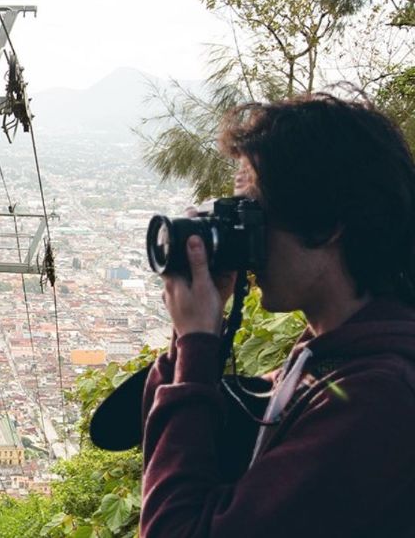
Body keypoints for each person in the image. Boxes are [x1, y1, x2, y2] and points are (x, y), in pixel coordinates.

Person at [141, 92, 415, 537]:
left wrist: (197, 342)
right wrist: (188, 339)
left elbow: (176, 528)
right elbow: (172, 449)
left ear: (327, 224)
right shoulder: (333, 354)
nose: (246, 237)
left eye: (254, 213)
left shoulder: (377, 396)